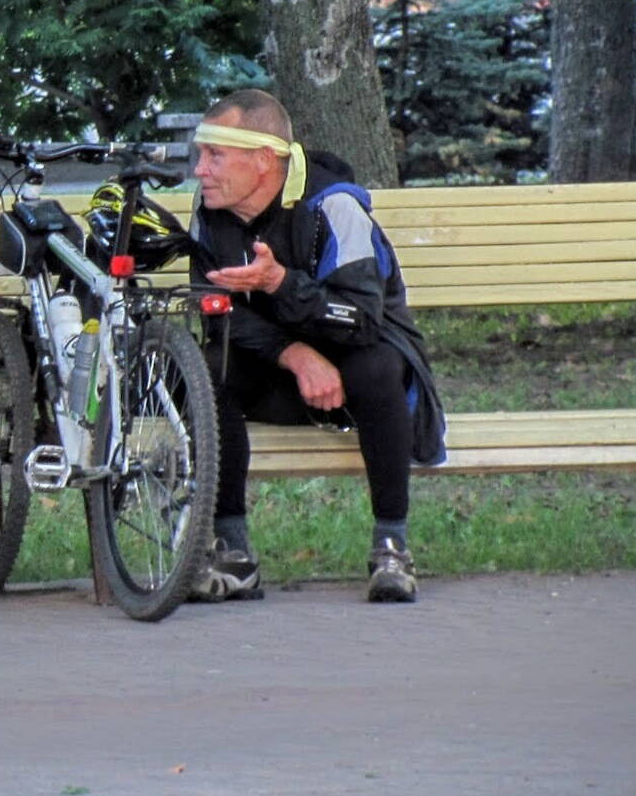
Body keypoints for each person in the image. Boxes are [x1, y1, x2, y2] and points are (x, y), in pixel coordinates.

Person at [187, 90, 446, 603]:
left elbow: (363, 319)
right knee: (208, 368)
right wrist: (296, 355)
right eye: (201, 155)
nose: (200, 170)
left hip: (360, 376)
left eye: (214, 155)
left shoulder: (334, 205)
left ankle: (391, 547)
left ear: (264, 159)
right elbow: (217, 314)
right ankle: (233, 554)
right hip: (282, 374)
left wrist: (279, 282)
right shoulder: (212, 211)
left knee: (377, 366)